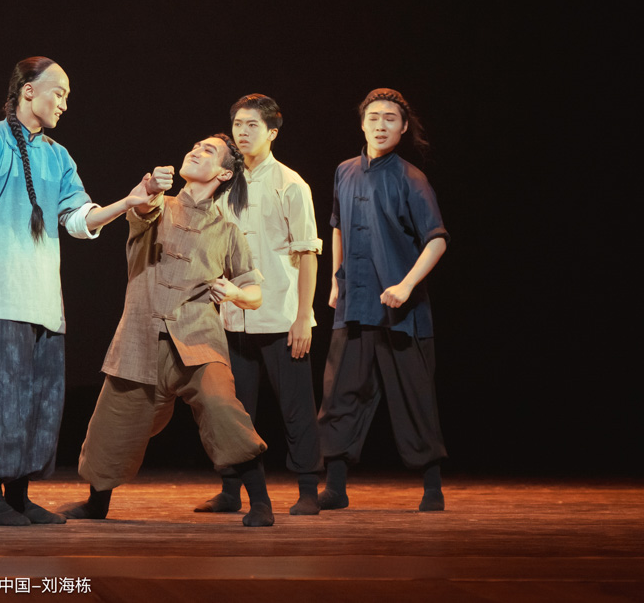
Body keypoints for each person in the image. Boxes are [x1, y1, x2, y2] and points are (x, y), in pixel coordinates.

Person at [0, 57, 158, 527]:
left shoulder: (58, 156)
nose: (64, 103)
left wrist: (128, 201)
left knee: (39, 400)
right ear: (28, 90)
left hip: (43, 300)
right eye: (60, 92)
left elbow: (76, 218)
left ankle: (19, 496)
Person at [60, 133, 277, 527]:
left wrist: (235, 293)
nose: (196, 151)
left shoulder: (227, 231)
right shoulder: (160, 207)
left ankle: (260, 501)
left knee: (224, 410)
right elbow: (142, 209)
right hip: (140, 337)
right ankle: (96, 503)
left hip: (198, 340)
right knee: (112, 424)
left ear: (225, 173)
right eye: (195, 146)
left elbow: (255, 292)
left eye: (208, 151)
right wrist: (149, 190)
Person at [317, 88, 449, 511]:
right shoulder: (344, 171)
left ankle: (432, 488)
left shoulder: (411, 178)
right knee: (340, 394)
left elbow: (437, 240)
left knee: (413, 395)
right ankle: (335, 487)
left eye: (390, 118)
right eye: (373, 117)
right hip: (355, 304)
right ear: (362, 123)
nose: (380, 125)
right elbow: (337, 226)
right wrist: (335, 281)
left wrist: (406, 285)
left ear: (403, 127)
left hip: (398, 309)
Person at [195, 95, 325, 517]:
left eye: (252, 125)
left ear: (272, 132)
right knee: (234, 410)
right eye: (237, 124)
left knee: (296, 409)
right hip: (234, 318)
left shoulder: (290, 183)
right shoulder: (228, 184)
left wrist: (304, 316)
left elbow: (307, 254)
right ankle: (232, 490)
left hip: (281, 316)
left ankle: (308, 489)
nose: (243, 132)